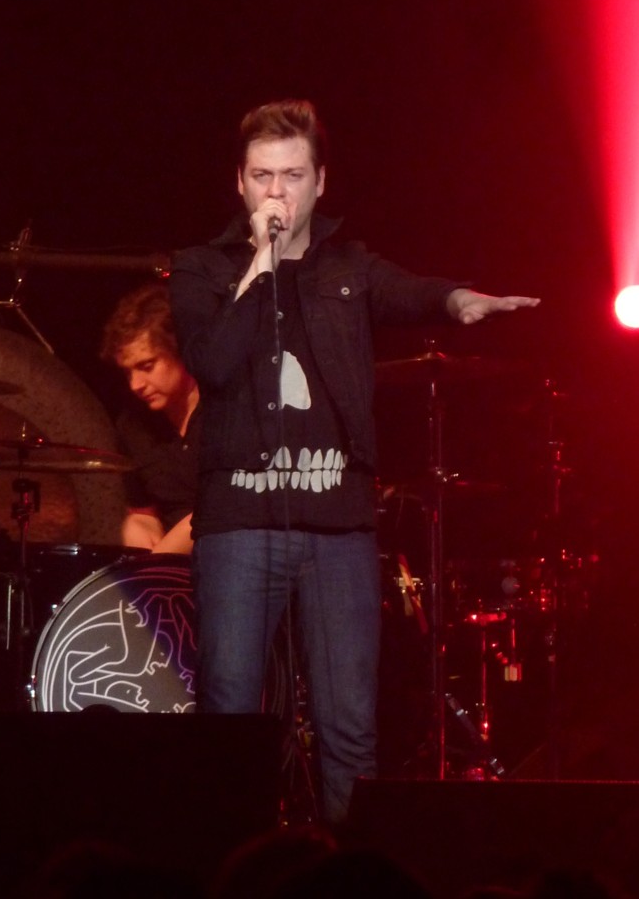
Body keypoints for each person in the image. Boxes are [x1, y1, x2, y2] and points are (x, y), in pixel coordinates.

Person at [169, 99, 539, 823]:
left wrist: (457, 300)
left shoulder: (349, 264)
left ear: (321, 181)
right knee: (229, 721)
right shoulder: (202, 269)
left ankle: (350, 869)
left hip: (339, 528)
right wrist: (262, 264)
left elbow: (409, 291)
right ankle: (228, 865)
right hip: (239, 525)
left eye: (293, 175)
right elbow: (212, 360)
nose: (277, 191)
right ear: (240, 183)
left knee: (348, 729)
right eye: (262, 176)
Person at [100, 282, 199, 555]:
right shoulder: (133, 427)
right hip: (172, 566)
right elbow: (143, 510)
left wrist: (157, 564)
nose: (135, 384)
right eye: (128, 372)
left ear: (182, 351)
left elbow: (219, 510)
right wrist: (139, 524)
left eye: (146, 366)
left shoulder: (230, 414)